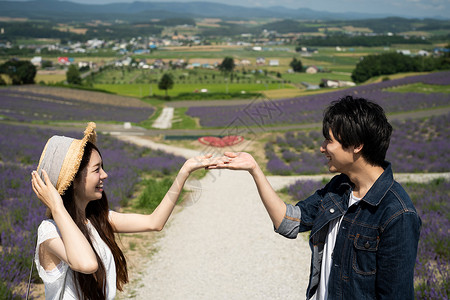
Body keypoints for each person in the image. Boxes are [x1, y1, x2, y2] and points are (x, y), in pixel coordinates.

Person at [217, 96, 421, 299]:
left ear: (357, 145)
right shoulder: (339, 188)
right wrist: (255, 169)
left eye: (329, 140)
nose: (322, 148)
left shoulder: (397, 214)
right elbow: (287, 222)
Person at [31, 122, 225, 300]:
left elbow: (154, 223)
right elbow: (86, 264)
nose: (104, 175)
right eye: (97, 169)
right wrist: (57, 207)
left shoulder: (97, 219)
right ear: (73, 181)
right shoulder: (49, 232)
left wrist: (184, 172)